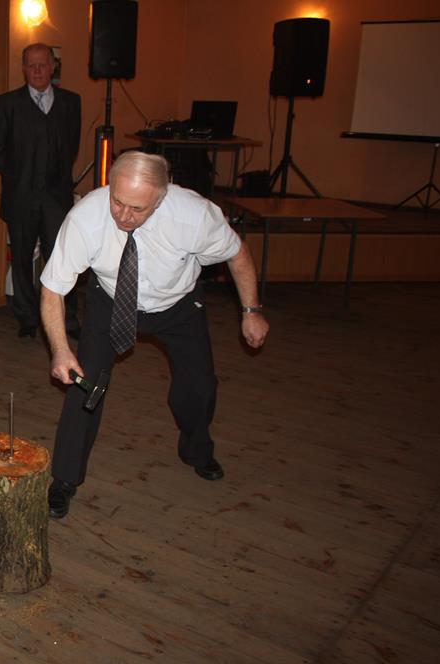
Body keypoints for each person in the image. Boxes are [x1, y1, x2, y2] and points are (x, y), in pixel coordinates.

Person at [40, 151, 269, 519]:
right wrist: (61, 350)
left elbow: (237, 255)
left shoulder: (194, 215)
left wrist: (251, 311)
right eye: (117, 201)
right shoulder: (85, 218)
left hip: (178, 305)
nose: (123, 215)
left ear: (162, 197)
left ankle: (196, 450)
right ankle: (65, 478)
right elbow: (53, 288)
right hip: (111, 299)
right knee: (85, 386)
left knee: (199, 388)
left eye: (137, 208)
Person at [0, 43, 81, 340]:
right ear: (23, 68)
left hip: (56, 199)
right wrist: (19, 178)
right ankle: (27, 318)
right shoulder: (8, 103)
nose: (38, 70)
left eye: (43, 64)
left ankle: (66, 319)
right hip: (21, 198)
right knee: (21, 260)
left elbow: (72, 146)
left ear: (53, 67)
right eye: (31, 65)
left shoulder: (71, 102)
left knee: (62, 260)